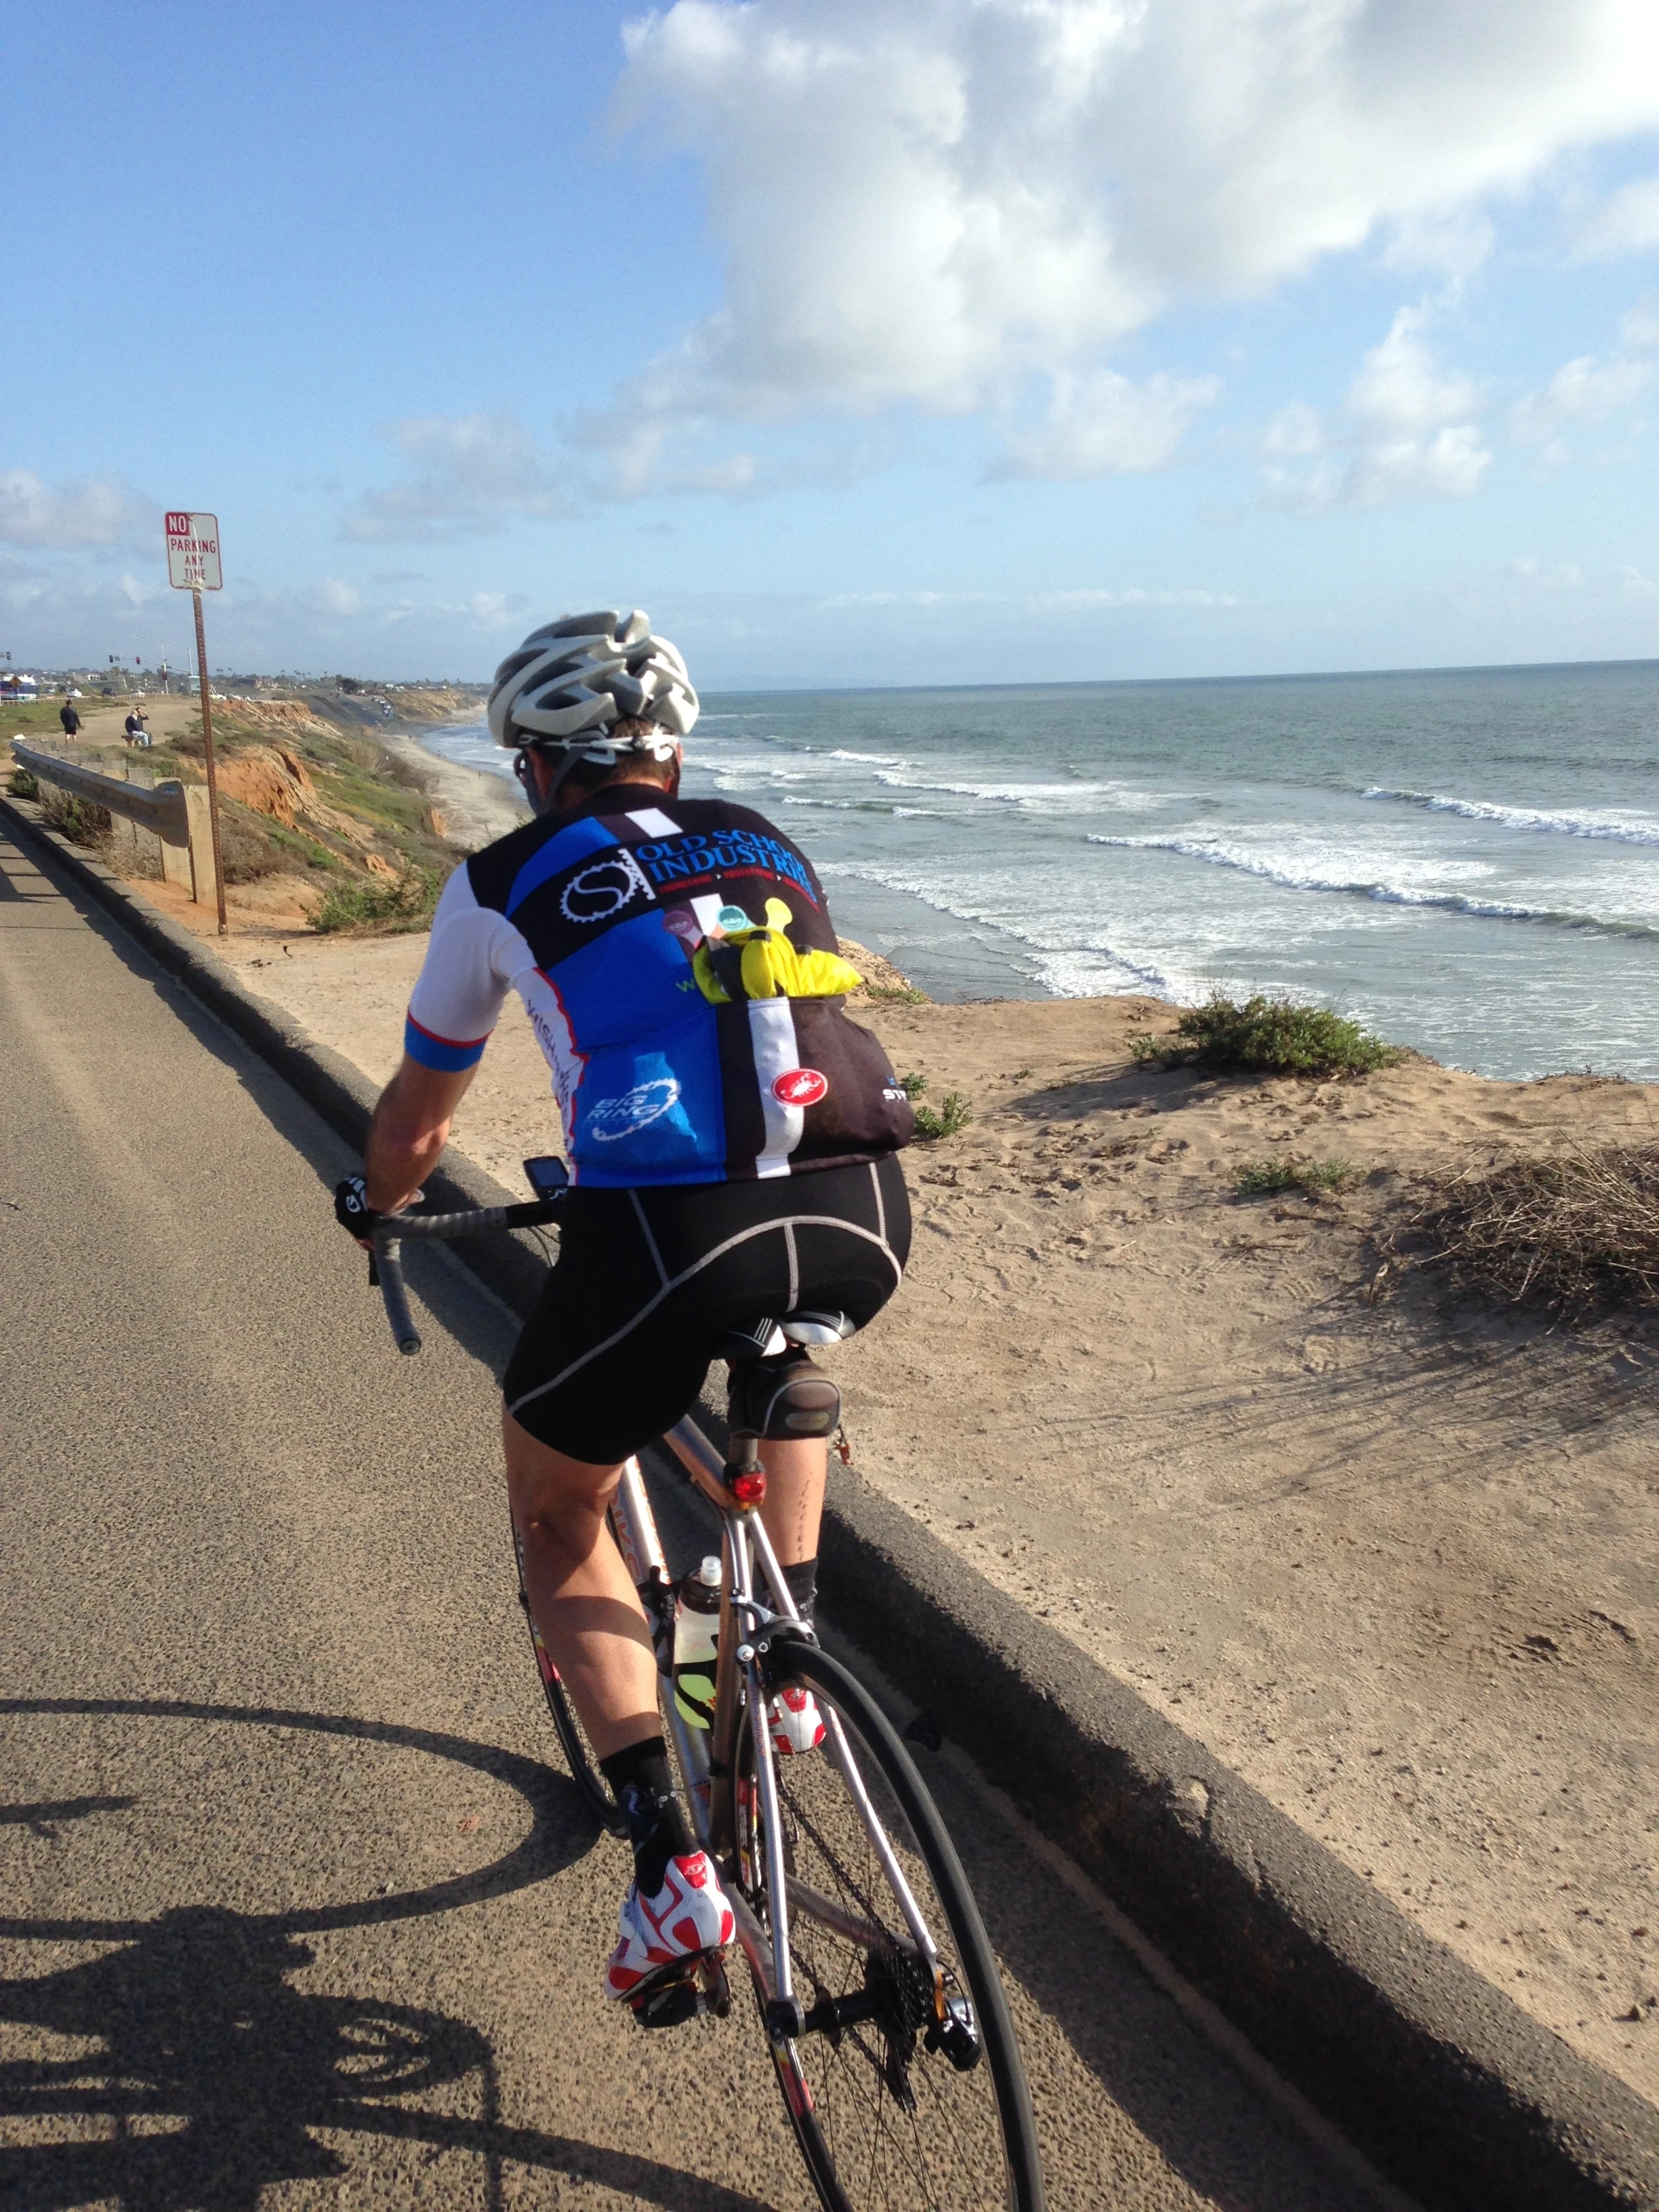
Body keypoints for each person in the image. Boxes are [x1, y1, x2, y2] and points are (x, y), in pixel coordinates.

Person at [334, 611, 914, 2009]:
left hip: (667, 1232)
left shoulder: (498, 880)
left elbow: (419, 1114)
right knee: (788, 1344)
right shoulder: (765, 835)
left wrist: (380, 1202)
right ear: (670, 753)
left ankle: (668, 1869)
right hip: (867, 1208)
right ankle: (785, 1662)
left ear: (538, 766)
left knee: (557, 1511)